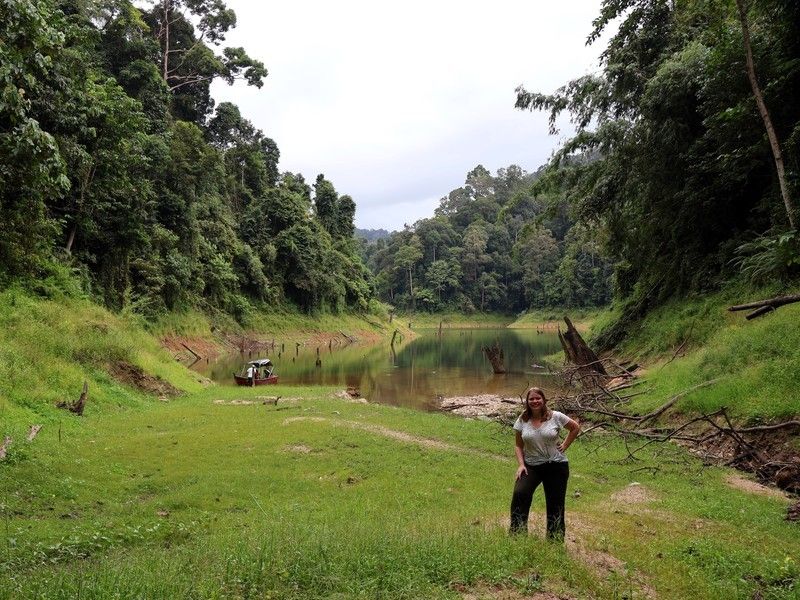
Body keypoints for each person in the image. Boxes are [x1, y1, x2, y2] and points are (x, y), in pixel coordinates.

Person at [510, 387, 580, 540]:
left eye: (538, 398)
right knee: (520, 493)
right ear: (527, 402)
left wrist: (565, 445)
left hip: (556, 465)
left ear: (543, 400)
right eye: (531, 399)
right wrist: (521, 465)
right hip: (532, 466)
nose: (535, 401)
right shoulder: (523, 419)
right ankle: (517, 536)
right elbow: (518, 445)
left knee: (556, 504)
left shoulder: (555, 416)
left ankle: (554, 541)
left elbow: (574, 428)